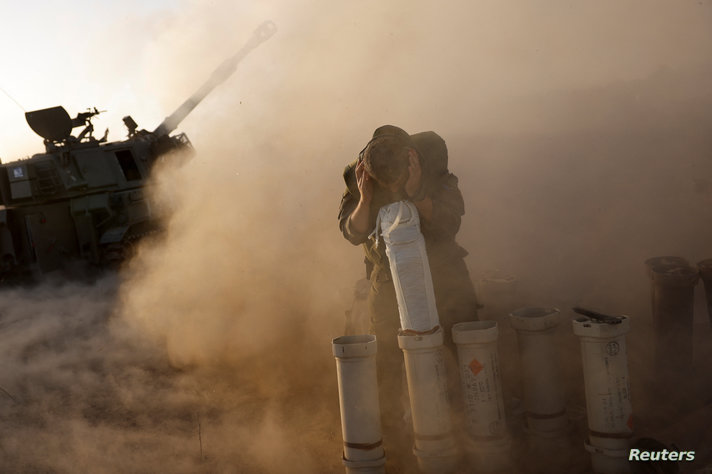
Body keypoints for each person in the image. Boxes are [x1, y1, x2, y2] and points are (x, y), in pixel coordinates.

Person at [337, 125, 479, 461]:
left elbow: (450, 222)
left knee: (464, 349)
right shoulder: (361, 180)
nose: (392, 185)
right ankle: (395, 440)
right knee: (386, 358)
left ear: (412, 160)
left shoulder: (434, 169)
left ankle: (470, 427)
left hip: (444, 275)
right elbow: (352, 232)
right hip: (387, 280)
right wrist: (367, 199)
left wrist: (417, 193)